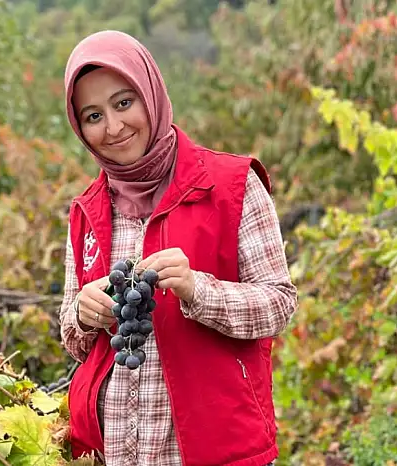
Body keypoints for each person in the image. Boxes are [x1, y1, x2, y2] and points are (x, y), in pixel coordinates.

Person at [59, 31, 297, 465]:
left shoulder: (232, 186)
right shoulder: (88, 211)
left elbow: (279, 305)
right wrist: (80, 312)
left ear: (151, 94)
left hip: (211, 449)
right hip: (111, 450)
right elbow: (73, 339)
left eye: (124, 103)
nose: (112, 127)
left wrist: (197, 290)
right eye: (92, 116)